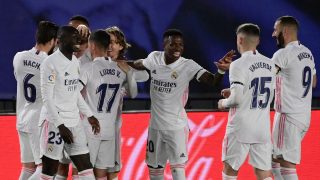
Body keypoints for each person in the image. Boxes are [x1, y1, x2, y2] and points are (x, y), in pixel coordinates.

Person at [128, 28, 234, 180]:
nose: (178, 48)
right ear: (164, 44)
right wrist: (117, 63)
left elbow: (212, 81)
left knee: (178, 172)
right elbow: (137, 64)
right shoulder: (154, 58)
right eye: (173, 44)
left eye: (180, 45)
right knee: (155, 172)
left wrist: (221, 71)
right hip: (155, 127)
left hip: (176, 127)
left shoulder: (188, 65)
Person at [39, 26, 100, 180]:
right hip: (55, 122)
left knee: (86, 168)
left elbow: (75, 94)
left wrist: (90, 115)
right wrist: (60, 125)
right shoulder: (50, 63)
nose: (78, 39)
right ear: (60, 41)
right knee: (48, 172)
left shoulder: (75, 61)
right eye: (73, 37)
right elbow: (47, 98)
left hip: (74, 121)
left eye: (78, 36)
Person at [218, 23, 276, 180]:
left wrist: (222, 103)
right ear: (257, 41)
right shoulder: (271, 64)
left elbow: (236, 99)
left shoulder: (237, 65)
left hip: (240, 127)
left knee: (230, 170)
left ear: (240, 39)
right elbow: (267, 92)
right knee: (263, 174)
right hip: (262, 128)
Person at [79, 29, 137, 179]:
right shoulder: (120, 70)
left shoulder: (87, 68)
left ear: (92, 46)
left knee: (82, 172)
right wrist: (130, 73)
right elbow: (133, 94)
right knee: (102, 174)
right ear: (107, 47)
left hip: (90, 127)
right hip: (109, 130)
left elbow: (73, 94)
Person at [271, 16, 317, 180]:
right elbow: (313, 82)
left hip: (288, 115)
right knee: (273, 158)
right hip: (304, 116)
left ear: (285, 31)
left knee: (286, 163)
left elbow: (266, 79)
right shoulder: (307, 53)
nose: (273, 34)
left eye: (275, 30)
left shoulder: (282, 54)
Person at [13, 21, 59, 180]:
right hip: (38, 121)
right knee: (44, 170)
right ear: (53, 40)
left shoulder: (18, 57)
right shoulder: (50, 64)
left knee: (28, 168)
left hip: (22, 118)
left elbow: (19, 79)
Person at [105, 26, 149, 180]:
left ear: (121, 45)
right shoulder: (94, 64)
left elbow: (142, 78)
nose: (110, 46)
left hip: (112, 126)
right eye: (107, 42)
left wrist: (129, 71)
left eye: (113, 42)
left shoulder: (124, 67)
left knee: (112, 173)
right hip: (90, 125)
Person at [55, 15, 92, 180]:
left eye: (79, 31)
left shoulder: (90, 53)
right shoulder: (59, 53)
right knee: (60, 166)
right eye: (71, 30)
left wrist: (88, 38)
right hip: (61, 117)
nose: (75, 33)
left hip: (82, 121)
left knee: (80, 167)